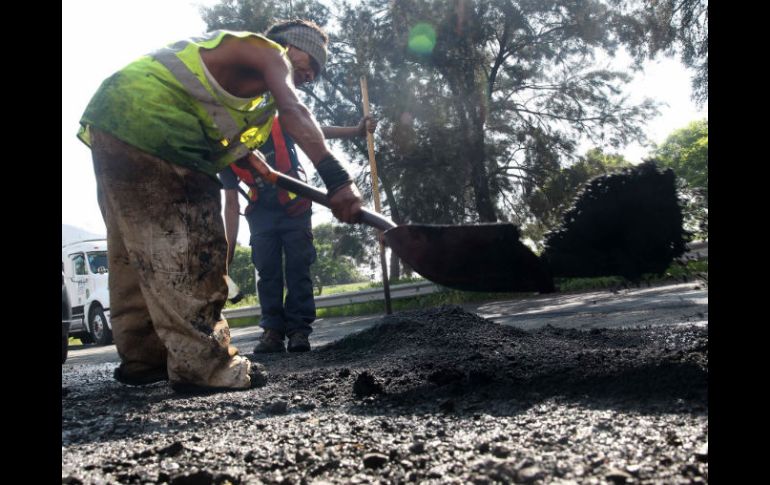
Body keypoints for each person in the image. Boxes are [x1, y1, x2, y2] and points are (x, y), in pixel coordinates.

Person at [76, 19, 363, 393]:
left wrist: (251, 160)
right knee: (195, 246)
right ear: (290, 46)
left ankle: (146, 358)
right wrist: (338, 178)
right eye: (311, 62)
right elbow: (295, 110)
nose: (312, 74)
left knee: (133, 251)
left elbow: (229, 135)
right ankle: (206, 365)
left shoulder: (248, 93)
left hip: (113, 118)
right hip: (158, 122)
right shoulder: (269, 53)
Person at [220, 114, 377, 353]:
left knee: (298, 267)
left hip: (296, 210)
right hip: (261, 215)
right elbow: (231, 204)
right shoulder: (225, 152)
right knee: (267, 270)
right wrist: (228, 251)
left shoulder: (275, 125)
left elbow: (315, 131)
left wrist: (355, 131)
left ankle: (299, 331)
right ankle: (272, 332)